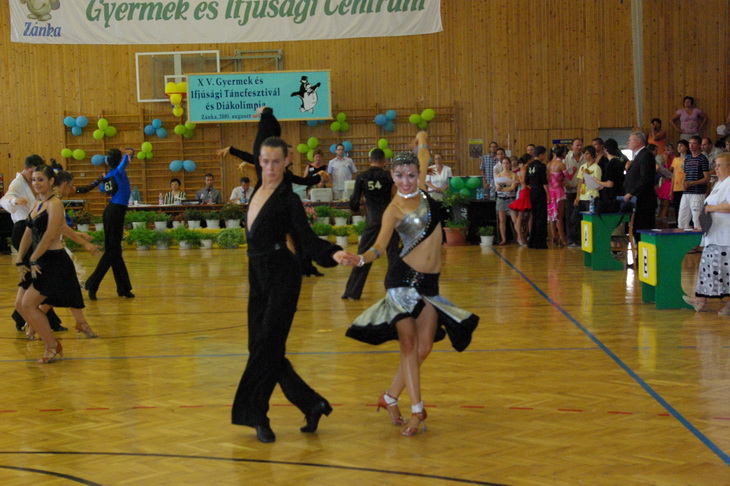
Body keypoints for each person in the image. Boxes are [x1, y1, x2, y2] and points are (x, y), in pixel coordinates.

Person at [345, 132, 479, 437]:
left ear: (419, 174)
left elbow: (423, 145)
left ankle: (390, 397)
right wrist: (361, 259)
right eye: (399, 176)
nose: (405, 181)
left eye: (410, 175)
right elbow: (379, 247)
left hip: (429, 284)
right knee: (408, 345)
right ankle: (418, 410)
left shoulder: (424, 193)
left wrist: (420, 138)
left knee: (424, 348)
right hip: (402, 282)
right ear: (392, 176)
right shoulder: (393, 209)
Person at [231, 137, 358, 444]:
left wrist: (333, 253)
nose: (270, 167)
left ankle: (257, 415)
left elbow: (306, 238)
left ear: (286, 162)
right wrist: (266, 115)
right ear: (258, 161)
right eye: (265, 161)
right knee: (260, 346)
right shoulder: (257, 190)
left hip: (282, 276)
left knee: (266, 348)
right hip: (257, 275)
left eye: (276, 162)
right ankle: (312, 404)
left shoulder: (287, 198)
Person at [14, 166, 85, 363]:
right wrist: (20, 259)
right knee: (21, 305)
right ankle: (52, 343)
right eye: (34, 180)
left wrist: (33, 258)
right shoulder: (37, 204)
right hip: (38, 259)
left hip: (54, 261)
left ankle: (51, 346)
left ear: (51, 181)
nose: (36, 183)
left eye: (41, 180)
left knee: (29, 304)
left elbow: (50, 235)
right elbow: (28, 233)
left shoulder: (55, 204)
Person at [1, 154, 65, 332]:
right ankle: (42, 320)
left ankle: (23, 316)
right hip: (23, 230)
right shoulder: (17, 183)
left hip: (33, 231)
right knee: (39, 275)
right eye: (32, 173)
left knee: (36, 276)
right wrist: (14, 200)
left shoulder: (37, 186)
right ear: (26, 168)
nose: (34, 178)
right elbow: (5, 199)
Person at [342, 148, 398, 300]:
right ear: (384, 162)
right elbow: (397, 194)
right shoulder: (388, 176)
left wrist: (357, 208)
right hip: (389, 219)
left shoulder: (362, 176)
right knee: (393, 256)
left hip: (372, 219)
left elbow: (354, 200)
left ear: (370, 160)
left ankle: (352, 292)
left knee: (363, 255)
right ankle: (394, 291)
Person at [682, 153, 730, 315]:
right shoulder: (719, 183)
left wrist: (711, 208)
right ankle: (700, 299)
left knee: (725, 271)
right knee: (708, 268)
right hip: (713, 234)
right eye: (715, 165)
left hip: (725, 237)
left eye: (720, 165)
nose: (716, 169)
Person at [85, 148, 135, 301]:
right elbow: (129, 156)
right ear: (118, 160)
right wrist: (129, 152)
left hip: (112, 211)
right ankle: (92, 284)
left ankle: (124, 288)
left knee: (115, 252)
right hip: (115, 212)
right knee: (112, 252)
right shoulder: (118, 171)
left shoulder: (109, 174)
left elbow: (103, 189)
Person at [623, 131, 657, 241]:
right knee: (636, 231)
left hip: (644, 201)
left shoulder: (646, 155)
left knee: (643, 231)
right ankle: (639, 251)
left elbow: (645, 179)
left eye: (630, 140)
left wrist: (632, 192)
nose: (628, 142)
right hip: (638, 201)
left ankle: (643, 252)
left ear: (638, 142)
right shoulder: (639, 156)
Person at [677, 136, 710, 230]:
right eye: (690, 143)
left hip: (698, 193)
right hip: (686, 192)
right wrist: (683, 183)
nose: (691, 145)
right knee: (682, 219)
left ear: (699, 145)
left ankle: (698, 238)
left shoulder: (702, 158)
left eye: (694, 143)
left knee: (697, 220)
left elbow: (707, 178)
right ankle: (683, 237)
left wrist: (692, 183)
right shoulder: (687, 159)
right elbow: (685, 175)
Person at [526, 146, 549, 249]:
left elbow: (526, 182)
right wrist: (548, 195)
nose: (545, 156)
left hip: (532, 192)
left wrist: (533, 188)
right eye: (544, 154)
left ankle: (532, 241)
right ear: (541, 154)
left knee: (534, 216)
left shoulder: (529, 165)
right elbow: (544, 182)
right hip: (540, 192)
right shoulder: (542, 166)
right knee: (541, 217)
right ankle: (540, 242)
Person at [547, 145, 570, 246]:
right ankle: (563, 238)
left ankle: (554, 237)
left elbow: (548, 179)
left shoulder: (549, 164)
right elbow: (569, 177)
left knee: (552, 216)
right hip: (558, 192)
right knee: (560, 216)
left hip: (550, 191)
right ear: (563, 153)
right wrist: (574, 170)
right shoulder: (561, 164)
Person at [563, 139, 583, 246]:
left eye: (580, 145)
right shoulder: (566, 158)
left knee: (579, 215)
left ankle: (579, 238)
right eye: (577, 145)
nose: (579, 147)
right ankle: (570, 237)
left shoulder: (586, 157)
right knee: (569, 215)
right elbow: (560, 173)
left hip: (582, 191)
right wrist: (564, 183)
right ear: (572, 146)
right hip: (569, 190)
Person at [495, 157, 518, 245]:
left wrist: (503, 189)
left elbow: (513, 187)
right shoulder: (499, 175)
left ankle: (518, 237)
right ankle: (503, 239)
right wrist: (502, 188)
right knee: (502, 220)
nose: (505, 165)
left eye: (507, 163)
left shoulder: (513, 175)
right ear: (501, 165)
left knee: (515, 219)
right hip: (501, 199)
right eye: (503, 163)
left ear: (510, 164)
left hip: (511, 199)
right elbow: (498, 187)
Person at [654, 143, 674, 219]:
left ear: (672, 150)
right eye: (664, 150)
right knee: (662, 203)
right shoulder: (664, 159)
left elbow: (669, 172)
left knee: (665, 203)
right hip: (665, 181)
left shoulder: (674, 159)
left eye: (668, 150)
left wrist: (665, 161)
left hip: (671, 181)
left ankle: (662, 218)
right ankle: (659, 218)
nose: (666, 152)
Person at [671, 139, 689, 220]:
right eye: (678, 146)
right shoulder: (675, 159)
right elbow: (674, 175)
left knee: (686, 207)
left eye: (681, 145)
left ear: (686, 147)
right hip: (676, 187)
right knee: (677, 206)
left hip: (686, 185)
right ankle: (678, 223)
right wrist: (671, 189)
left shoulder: (689, 159)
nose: (679, 147)